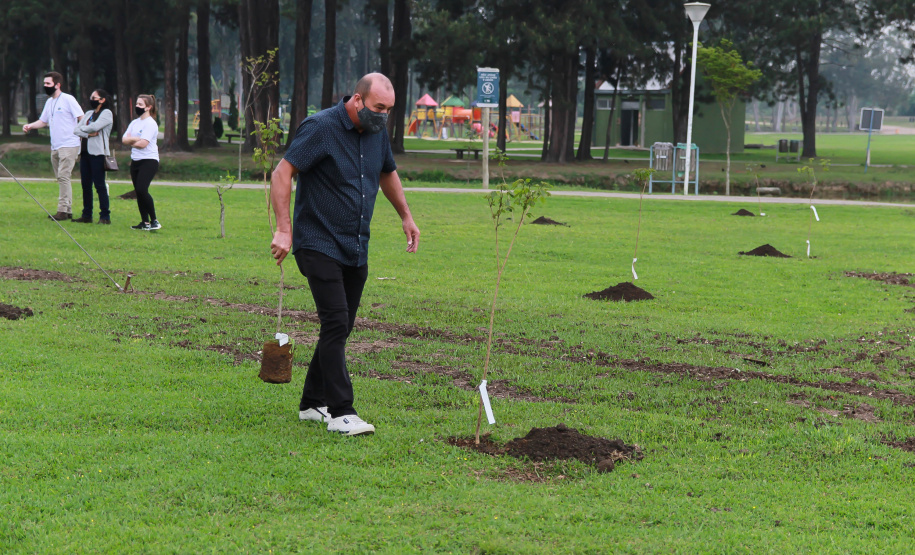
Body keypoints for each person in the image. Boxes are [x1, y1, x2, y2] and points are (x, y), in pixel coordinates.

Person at [269, 73, 420, 436]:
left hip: (355, 245)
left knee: (341, 326)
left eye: (389, 110)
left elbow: (387, 173)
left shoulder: (376, 132)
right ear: (357, 99)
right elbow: (282, 172)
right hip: (316, 242)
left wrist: (406, 215)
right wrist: (284, 229)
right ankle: (341, 412)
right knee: (336, 322)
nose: (383, 116)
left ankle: (311, 404)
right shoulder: (321, 128)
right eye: (378, 108)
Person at [23, 72, 84, 221]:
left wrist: (80, 135)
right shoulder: (49, 102)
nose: (45, 86)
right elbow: (43, 121)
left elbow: (81, 117)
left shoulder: (68, 99)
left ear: (57, 85)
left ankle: (62, 210)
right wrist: (30, 126)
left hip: (69, 144)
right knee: (61, 178)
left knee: (63, 176)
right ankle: (67, 210)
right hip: (55, 145)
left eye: (48, 84)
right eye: (44, 84)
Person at [72, 89, 114, 224]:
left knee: (100, 185)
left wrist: (85, 130)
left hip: (98, 153)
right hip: (85, 153)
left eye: (94, 97)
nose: (91, 99)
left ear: (102, 100)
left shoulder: (106, 113)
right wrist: (88, 133)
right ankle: (86, 215)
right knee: (85, 185)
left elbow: (95, 127)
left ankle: (105, 216)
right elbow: (76, 129)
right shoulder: (89, 113)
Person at [122, 94, 161, 230]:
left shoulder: (151, 124)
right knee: (138, 193)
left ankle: (154, 220)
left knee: (141, 189)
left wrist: (132, 140)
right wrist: (136, 139)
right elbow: (123, 140)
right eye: (136, 104)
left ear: (148, 107)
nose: (137, 107)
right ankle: (145, 222)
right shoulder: (134, 123)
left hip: (149, 160)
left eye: (140, 105)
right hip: (136, 160)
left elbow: (143, 144)